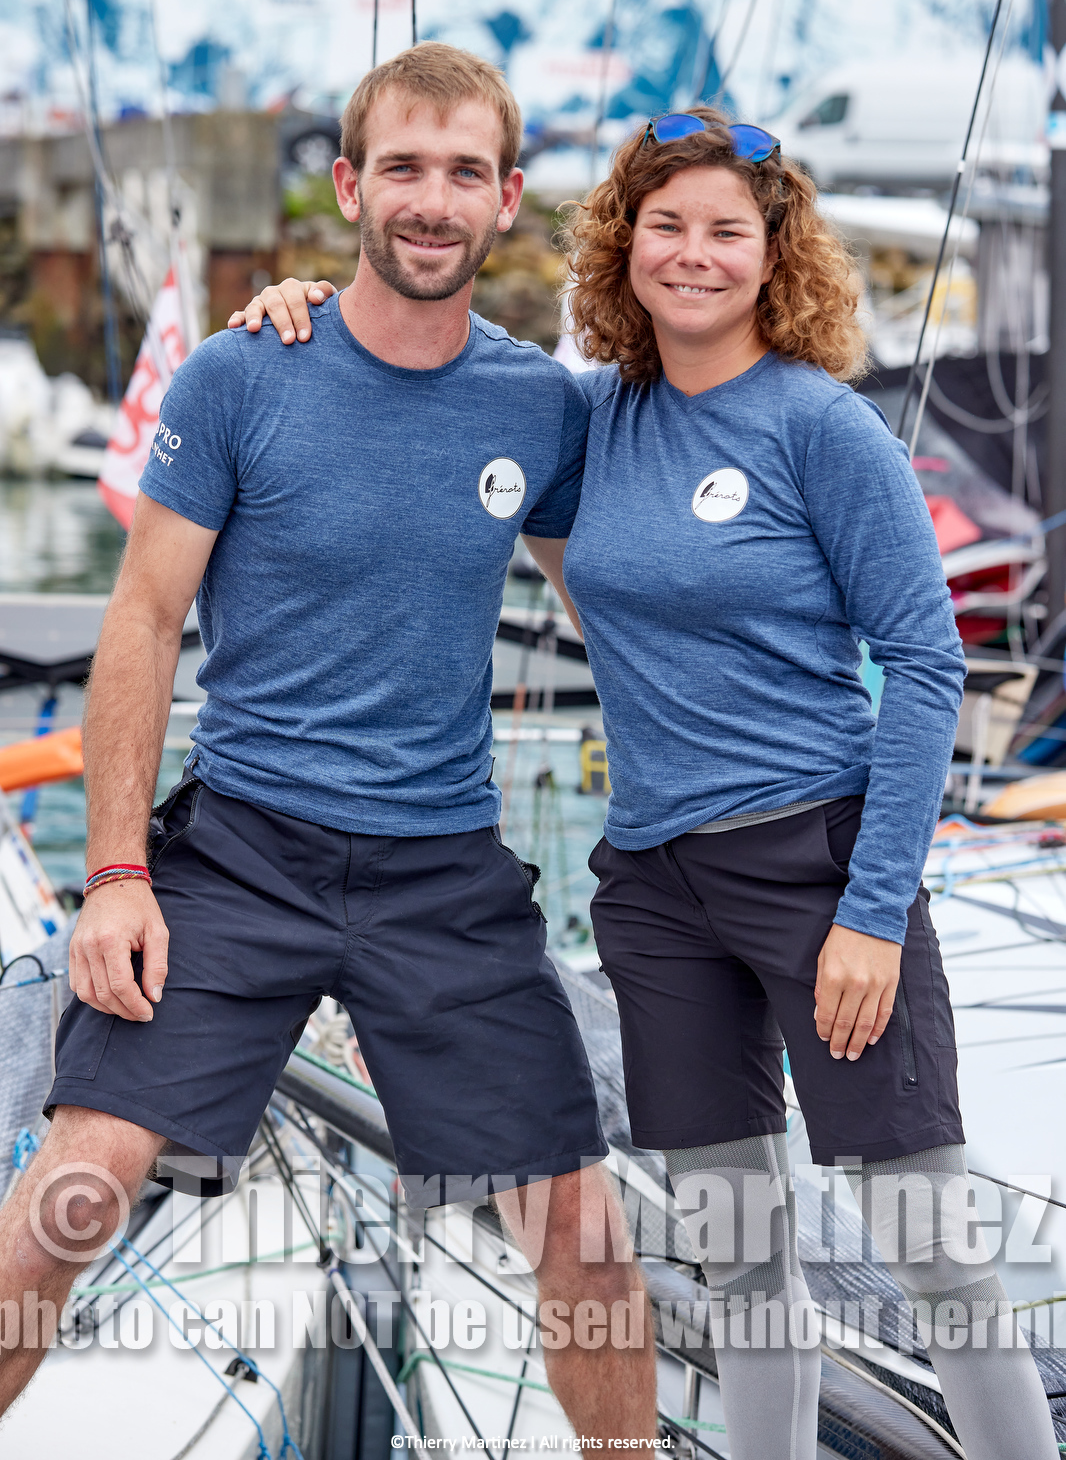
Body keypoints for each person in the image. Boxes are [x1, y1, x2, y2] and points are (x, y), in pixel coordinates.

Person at [253, 108, 1058, 1459]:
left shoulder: (821, 428)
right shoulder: (592, 421)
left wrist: (872, 911)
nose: (692, 253)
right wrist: (294, 311)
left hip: (817, 865)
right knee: (741, 1260)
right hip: (657, 888)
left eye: (724, 231)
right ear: (623, 247)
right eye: (664, 225)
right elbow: (418, 373)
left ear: (773, 255)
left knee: (935, 1255)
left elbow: (926, 664)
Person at [0, 45, 657, 1442]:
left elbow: (617, 609)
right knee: (73, 1195)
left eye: (465, 172)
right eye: (403, 167)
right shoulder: (242, 376)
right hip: (242, 852)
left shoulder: (539, 406)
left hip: (443, 873)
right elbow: (144, 620)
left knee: (589, 1246)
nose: (433, 200)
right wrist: (114, 874)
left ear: (506, 200)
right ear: (351, 186)